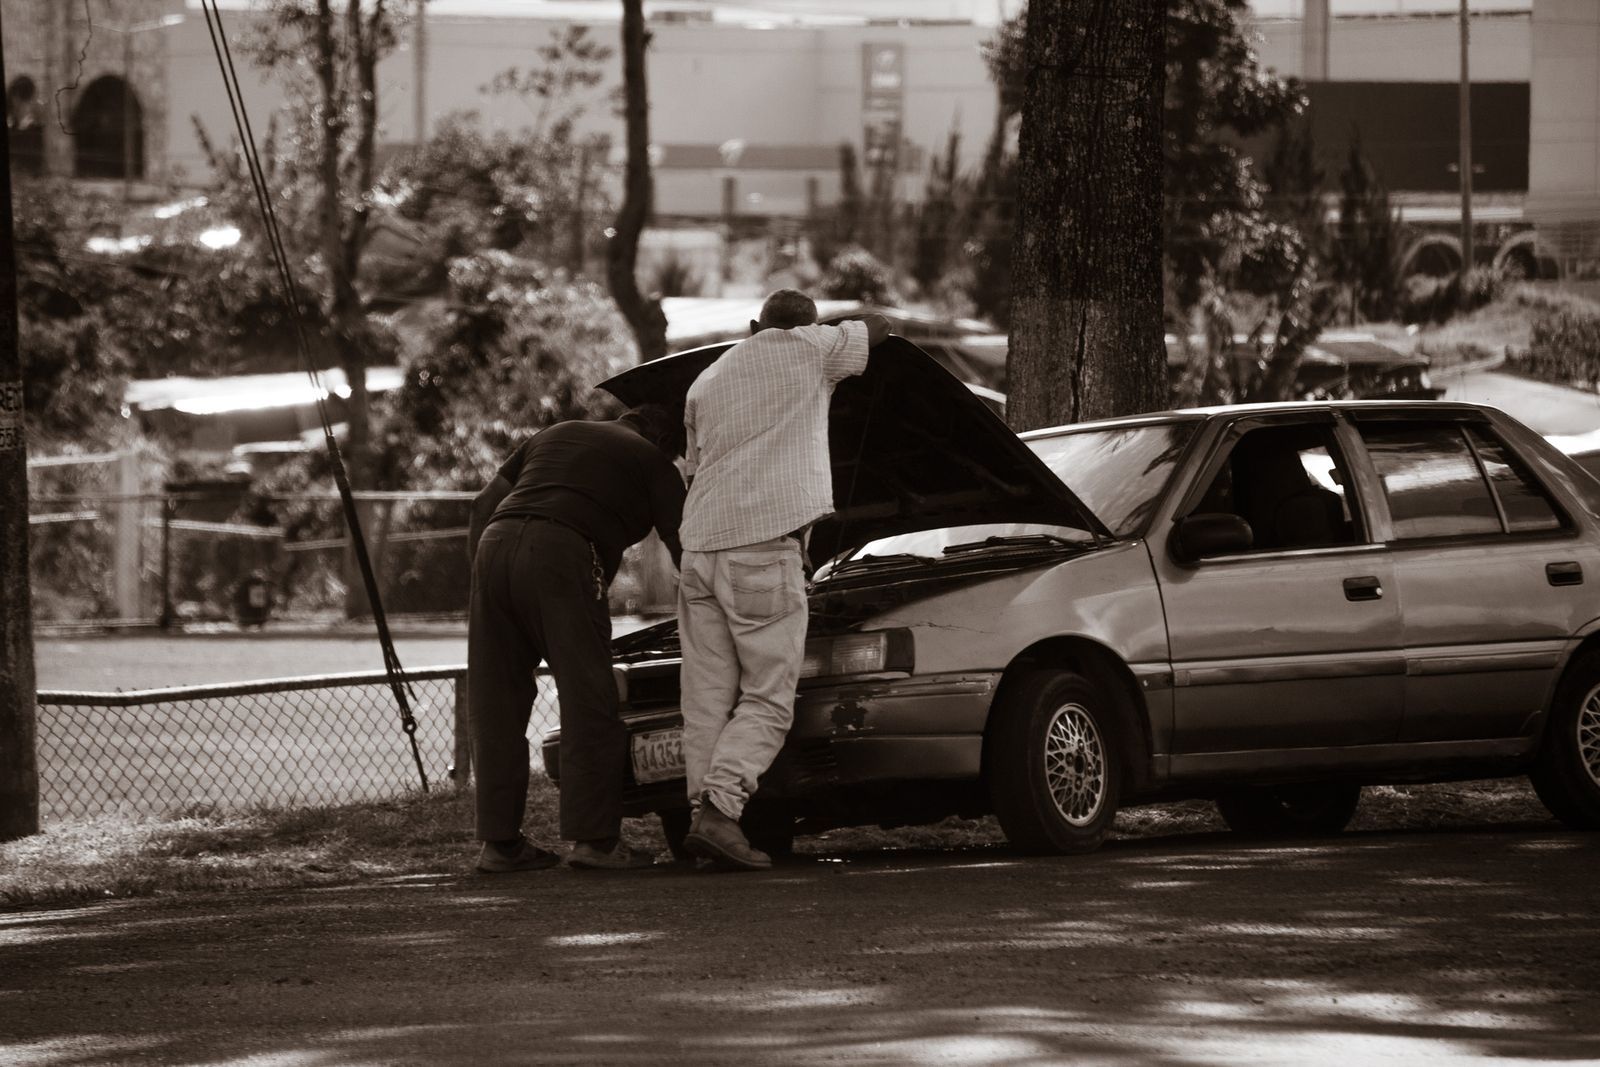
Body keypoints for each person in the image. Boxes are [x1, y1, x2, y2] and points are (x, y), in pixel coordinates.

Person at [677, 290, 890, 870]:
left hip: (698, 547)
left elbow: (694, 466)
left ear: (753, 325)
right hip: (760, 549)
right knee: (768, 697)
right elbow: (879, 325)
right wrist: (838, 325)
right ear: (805, 328)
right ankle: (721, 812)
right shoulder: (809, 349)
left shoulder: (705, 380)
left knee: (705, 700)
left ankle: (702, 821)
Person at [466, 404, 686, 873]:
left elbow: (482, 505)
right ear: (666, 440)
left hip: (494, 544)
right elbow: (685, 547)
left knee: (496, 701)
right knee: (589, 697)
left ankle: (499, 844)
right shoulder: (655, 463)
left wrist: (483, 581)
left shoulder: (557, 432)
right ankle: (596, 842)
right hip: (563, 552)